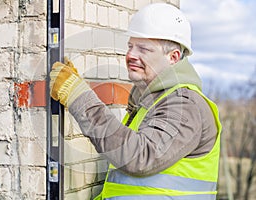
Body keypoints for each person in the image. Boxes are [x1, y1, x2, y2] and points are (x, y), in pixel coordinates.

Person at [50, 3, 222, 200]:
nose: (131, 55)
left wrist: (78, 96)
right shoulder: (151, 104)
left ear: (173, 57)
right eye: (131, 46)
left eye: (144, 49)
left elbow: (140, 157)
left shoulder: (184, 105)